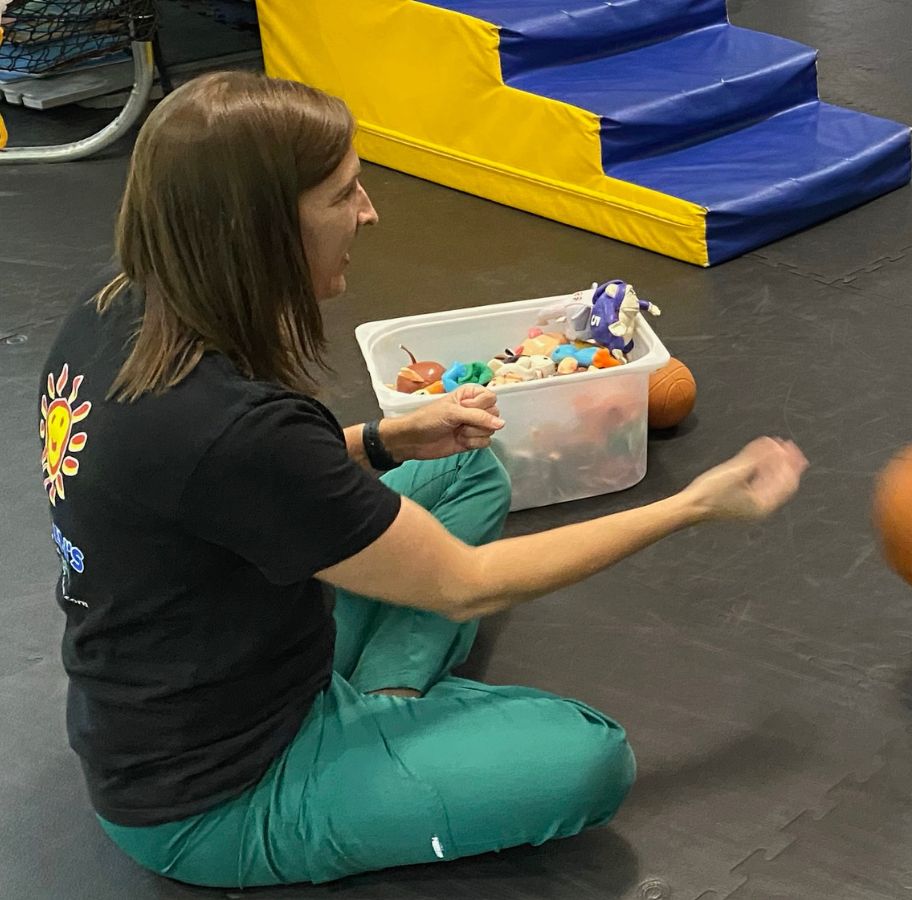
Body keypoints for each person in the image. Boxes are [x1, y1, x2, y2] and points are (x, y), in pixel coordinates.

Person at [37, 70, 808, 888]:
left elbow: (228, 484)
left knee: (467, 466)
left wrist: (382, 439)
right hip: (216, 796)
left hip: (200, 666)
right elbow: (467, 584)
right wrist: (689, 506)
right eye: (342, 195)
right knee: (587, 756)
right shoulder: (228, 426)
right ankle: (373, 729)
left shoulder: (117, 303)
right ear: (258, 228)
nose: (368, 212)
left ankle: (387, 699)